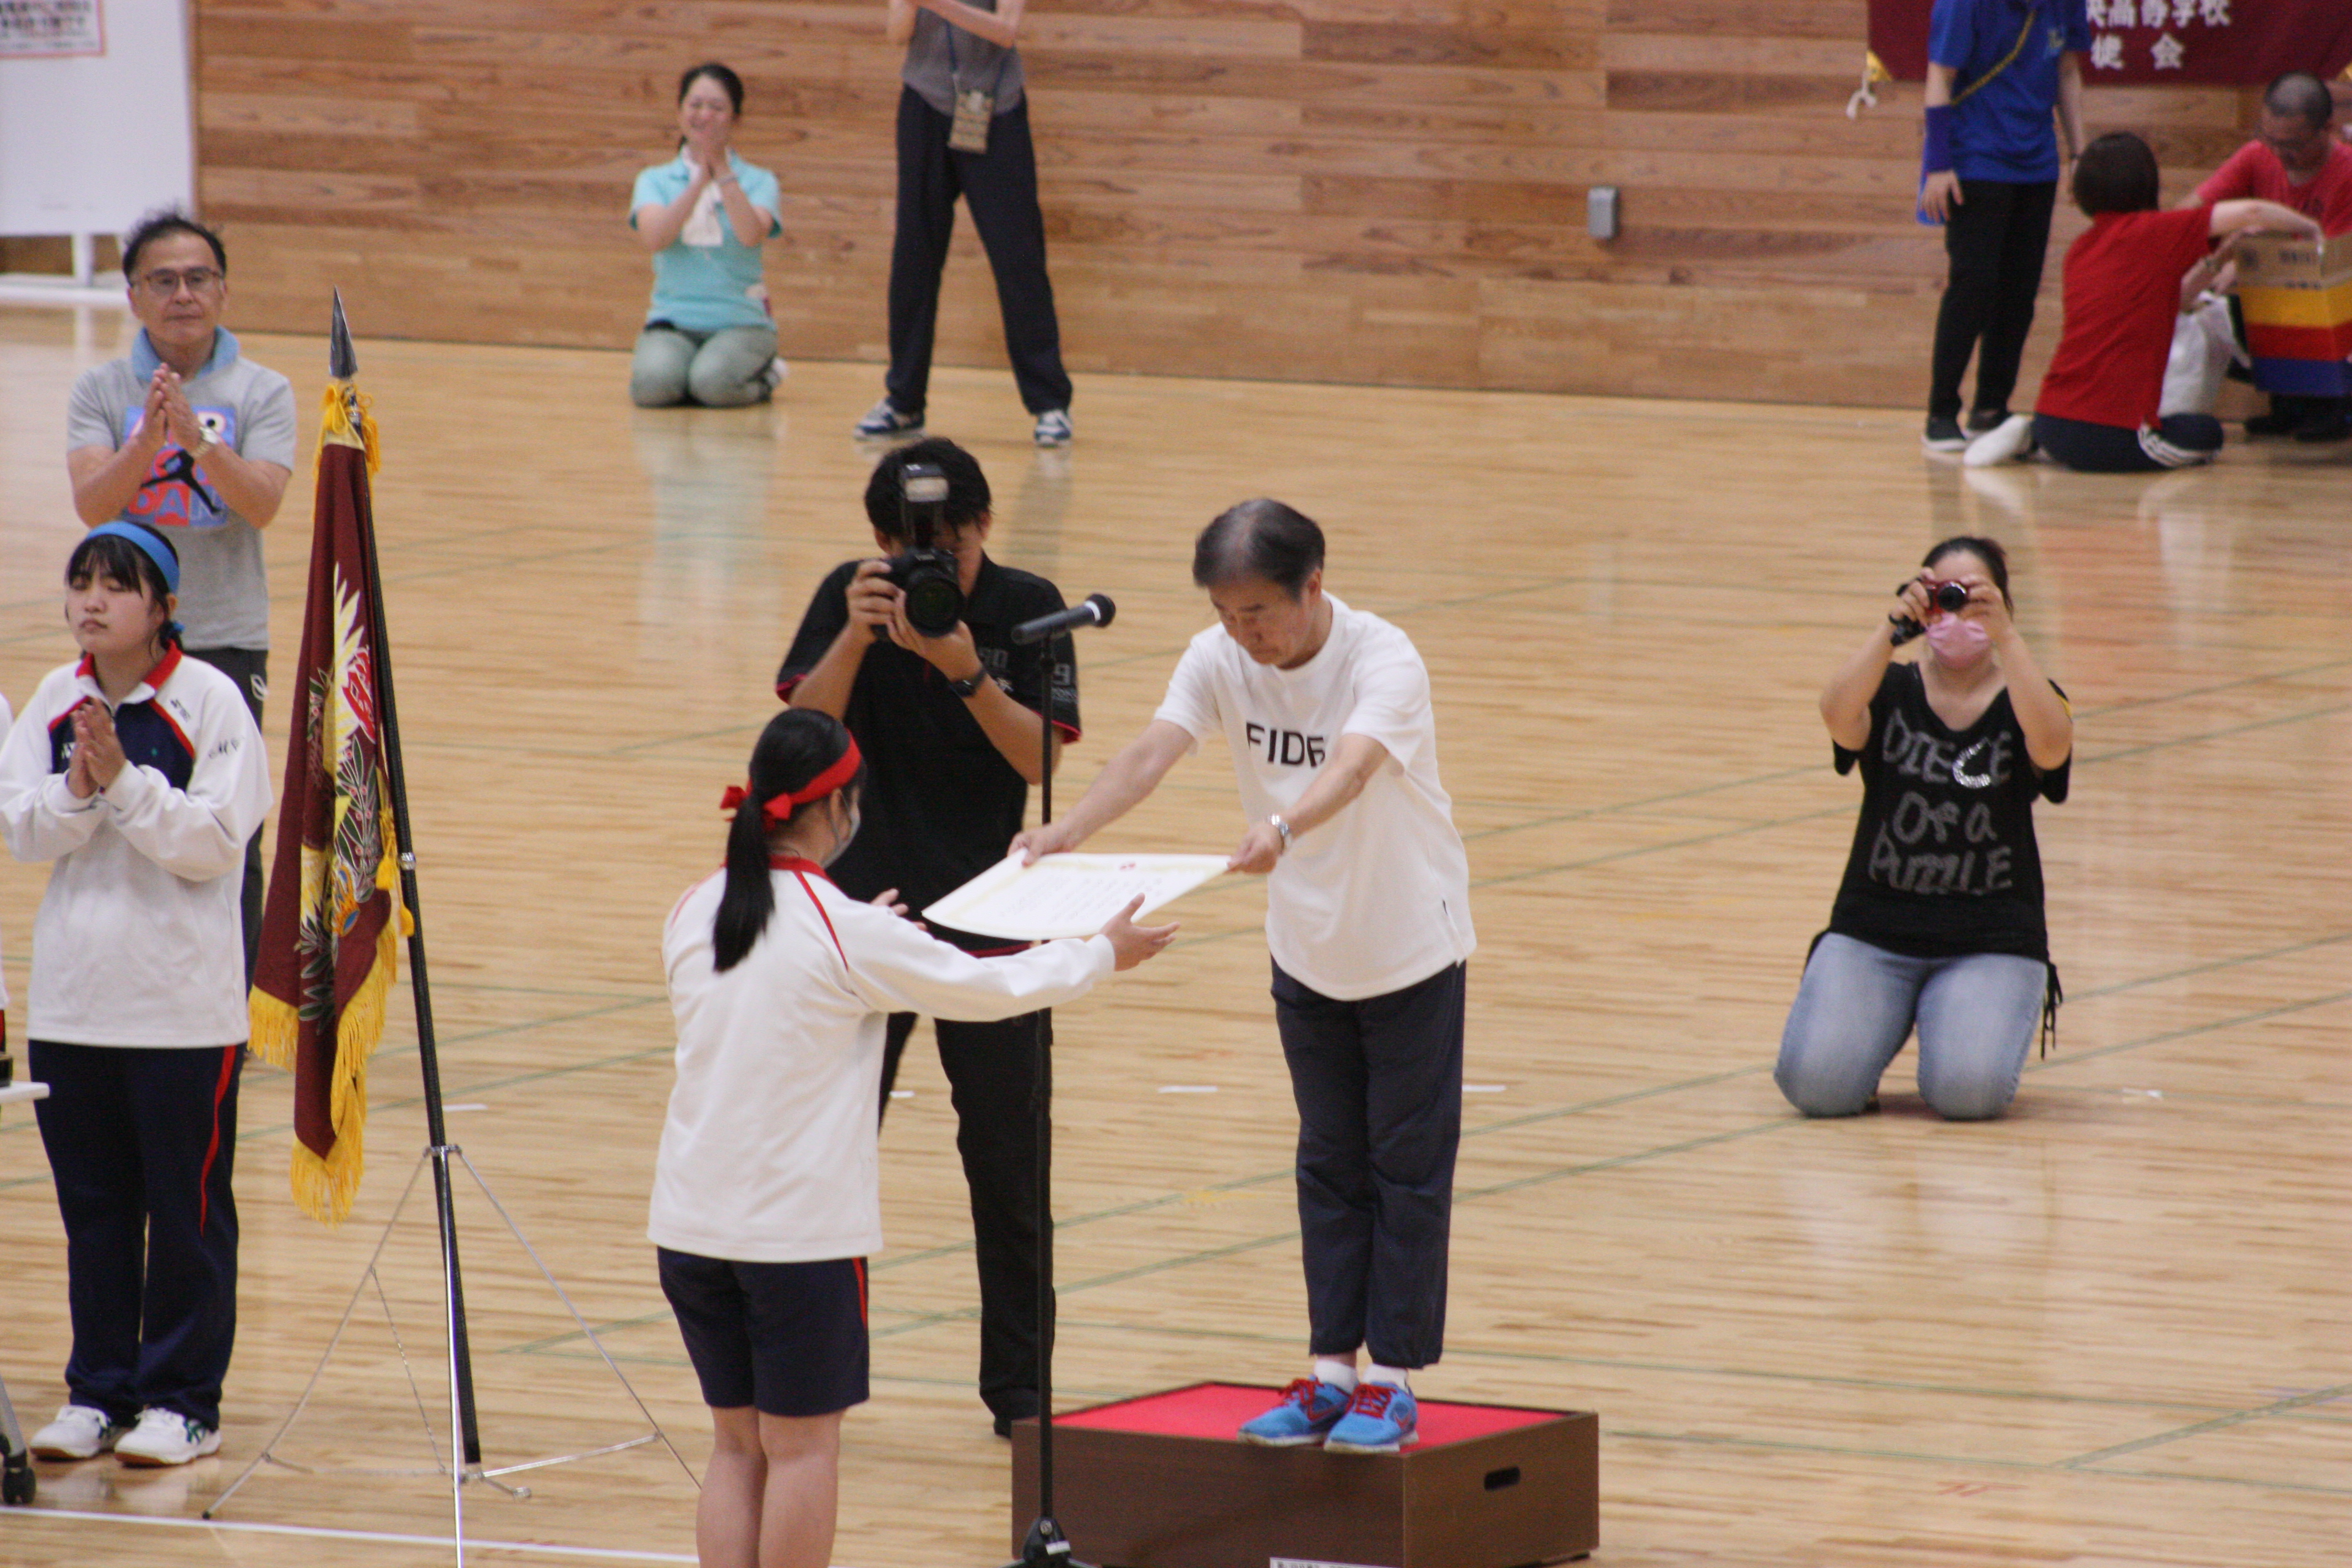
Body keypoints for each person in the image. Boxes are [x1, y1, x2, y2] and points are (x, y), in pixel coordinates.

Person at [648, 709, 1172, 1568]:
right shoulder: (848, 930)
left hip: (689, 1229)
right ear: (836, 807)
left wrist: (876, 935)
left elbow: (793, 978)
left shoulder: (694, 909)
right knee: (802, 1451)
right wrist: (1099, 952)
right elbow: (986, 988)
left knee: (737, 1448)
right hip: (794, 1240)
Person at [1012, 500, 1476, 1455]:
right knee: (1328, 1162)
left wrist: (1284, 826)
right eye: (1225, 614)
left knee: (1405, 1167)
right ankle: (1331, 1372)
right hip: (1306, 952)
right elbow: (1152, 751)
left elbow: (1354, 767)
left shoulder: (1383, 658)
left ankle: (1392, 1379)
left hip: (1408, 951)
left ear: (1313, 586)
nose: (1241, 633)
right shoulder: (1217, 657)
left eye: (1257, 612)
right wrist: (1067, 831)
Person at [775, 438, 1079, 1438]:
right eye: (911, 547)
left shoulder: (1032, 606)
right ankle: (811, 1374)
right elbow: (799, 742)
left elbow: (1041, 759)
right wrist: (855, 636)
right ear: (879, 540)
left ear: (984, 525)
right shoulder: (850, 596)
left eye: (949, 545)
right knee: (825, 1150)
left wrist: (963, 670)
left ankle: (1021, 1395)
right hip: (860, 919)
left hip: (993, 916)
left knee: (1009, 1160)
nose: (930, 565)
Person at [1, 524, 272, 1468]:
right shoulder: (53, 699)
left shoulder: (213, 701)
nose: (92, 600)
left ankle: (185, 1401)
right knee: (95, 1210)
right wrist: (78, 788)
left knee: (185, 1212)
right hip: (74, 1006)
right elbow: (22, 830)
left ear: (164, 608)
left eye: (116, 586)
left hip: (182, 1013)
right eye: (81, 581)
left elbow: (214, 843)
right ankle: (98, 1391)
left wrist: (123, 781)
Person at [67, 210, 293, 977]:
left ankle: (236, 993)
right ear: (133, 295)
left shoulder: (264, 390)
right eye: (163, 280)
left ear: (224, 291)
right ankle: (129, 978)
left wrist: (198, 441)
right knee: (118, 807)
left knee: (230, 822)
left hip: (227, 637)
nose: (183, 295)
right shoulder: (100, 389)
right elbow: (95, 505)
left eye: (199, 278)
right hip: (124, 645)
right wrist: (146, 443)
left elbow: (261, 503)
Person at [1777, 537, 2069, 1123]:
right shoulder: (1889, 690)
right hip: (1876, 930)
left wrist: (2008, 639)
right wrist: (1891, 630)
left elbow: (2052, 746)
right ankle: (1874, 1021)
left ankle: (1961, 1015)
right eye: (1941, 596)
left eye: (1972, 597)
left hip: (1991, 938)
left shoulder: (2027, 697)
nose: (1956, 613)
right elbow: (1836, 713)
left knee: (1967, 1095)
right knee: (1817, 1088)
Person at [1964, 133, 2322, 473]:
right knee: (2207, 433)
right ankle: (2053, 445)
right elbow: (2254, 212)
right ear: (2148, 184)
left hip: (2051, 416)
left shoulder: (2081, 249)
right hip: (2113, 434)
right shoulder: (2157, 231)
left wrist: (2217, 261)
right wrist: (2311, 231)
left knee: (2117, 432)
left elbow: (2171, 302)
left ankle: (2034, 439)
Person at [853, 0, 1074, 448]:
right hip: (924, 104)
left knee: (1018, 258)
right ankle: (904, 401)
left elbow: (1005, 30)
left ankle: (1049, 403)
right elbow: (897, 33)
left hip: (995, 107)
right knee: (915, 256)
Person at [1917, 0, 2088, 453]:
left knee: (2019, 292)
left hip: (2037, 162)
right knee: (1973, 284)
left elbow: (2067, 71)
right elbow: (1940, 76)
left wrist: (2079, 153)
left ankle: (1991, 408)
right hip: (1977, 158)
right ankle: (1941, 412)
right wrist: (1938, 165)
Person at [2188, 72, 2352, 443]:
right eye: (2270, 139)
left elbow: (2332, 261)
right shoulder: (2257, 155)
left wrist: (2247, 257)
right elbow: (2192, 213)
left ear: (2327, 129)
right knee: (2211, 308)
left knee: (2318, 297)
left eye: (2292, 145)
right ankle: (2288, 402)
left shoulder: (2346, 171)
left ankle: (2333, 404)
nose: (2279, 154)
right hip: (2275, 294)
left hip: (2333, 300)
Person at [629, 63, 787, 409]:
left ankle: (766, 377)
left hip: (742, 324)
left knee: (713, 385)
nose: (704, 115)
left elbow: (751, 235)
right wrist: (698, 183)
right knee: (652, 388)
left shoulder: (760, 181)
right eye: (695, 105)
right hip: (673, 323)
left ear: (735, 119)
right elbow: (655, 238)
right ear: (680, 113)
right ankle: (687, 374)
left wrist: (723, 173)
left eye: (717, 107)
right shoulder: (654, 180)